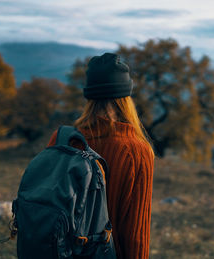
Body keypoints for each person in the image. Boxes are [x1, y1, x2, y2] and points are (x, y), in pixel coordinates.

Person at [47, 53, 155, 259]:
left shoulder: (62, 139)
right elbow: (135, 236)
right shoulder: (137, 151)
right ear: (126, 98)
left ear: (90, 96)